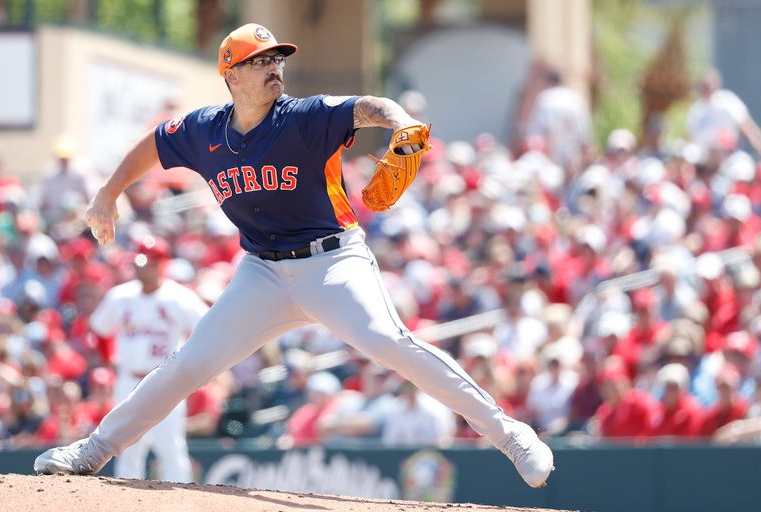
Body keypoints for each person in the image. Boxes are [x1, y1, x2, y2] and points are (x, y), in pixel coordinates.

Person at [34, 23, 554, 488]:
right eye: (259, 61)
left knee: (390, 343)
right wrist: (107, 193)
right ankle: (93, 451)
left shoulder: (304, 117)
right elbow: (154, 143)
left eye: (276, 59)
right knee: (189, 363)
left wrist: (402, 126)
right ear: (230, 76)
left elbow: (370, 107)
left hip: (332, 262)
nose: (273, 68)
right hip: (261, 271)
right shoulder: (203, 130)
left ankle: (509, 435)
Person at [86, 236, 208, 482]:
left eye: (149, 264)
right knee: (127, 449)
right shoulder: (120, 296)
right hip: (129, 380)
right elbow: (99, 329)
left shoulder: (179, 297)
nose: (142, 269)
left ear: (161, 264)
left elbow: (208, 328)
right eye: (139, 264)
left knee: (170, 447)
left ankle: (181, 502)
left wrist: (191, 365)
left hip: (167, 381)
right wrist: (109, 357)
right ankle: (126, 503)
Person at [686, 68, 761, 156]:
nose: (706, 87)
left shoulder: (727, 101)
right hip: (703, 160)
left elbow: (748, 128)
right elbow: (690, 138)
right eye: (703, 84)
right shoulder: (696, 109)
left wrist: (759, 146)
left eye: (708, 84)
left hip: (728, 156)